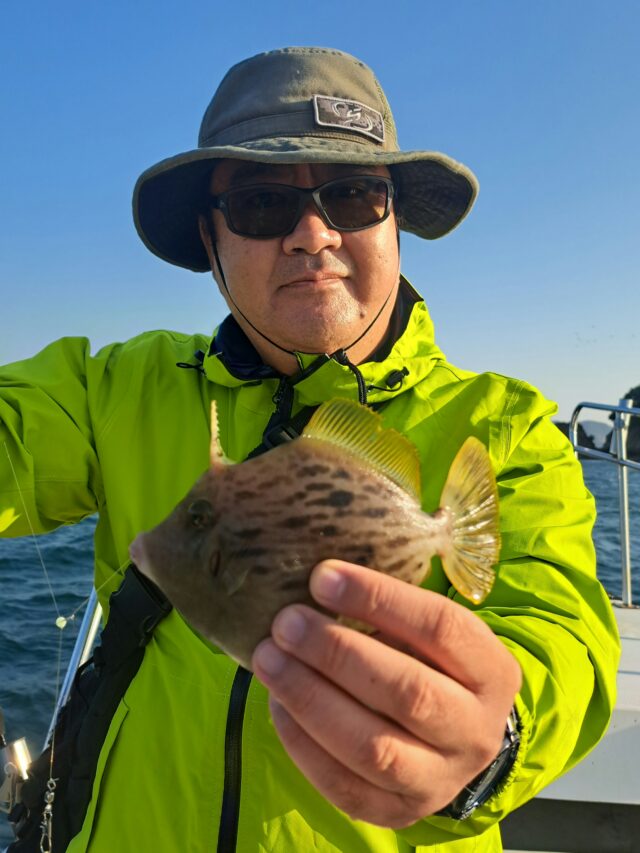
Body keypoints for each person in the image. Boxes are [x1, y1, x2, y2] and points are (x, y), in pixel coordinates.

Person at [0, 46, 620, 852]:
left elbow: (559, 628)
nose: (313, 234)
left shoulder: (507, 426)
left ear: (395, 222)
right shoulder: (118, 388)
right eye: (261, 204)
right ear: (210, 238)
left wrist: (493, 737)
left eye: (354, 195)